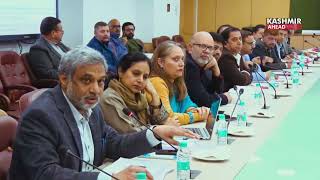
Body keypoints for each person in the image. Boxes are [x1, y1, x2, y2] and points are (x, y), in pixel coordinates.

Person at [9, 47, 197, 180]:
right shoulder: (40, 116)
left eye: (100, 81)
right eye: (86, 80)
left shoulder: (91, 107)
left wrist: (154, 133)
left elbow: (113, 143)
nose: (96, 90)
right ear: (64, 79)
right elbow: (44, 174)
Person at [100, 52, 178, 133]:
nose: (140, 80)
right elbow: (129, 133)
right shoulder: (109, 98)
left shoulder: (140, 98)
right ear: (121, 72)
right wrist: (159, 128)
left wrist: (155, 96)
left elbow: (163, 122)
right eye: (136, 74)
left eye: (145, 77)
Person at [150, 41, 210, 125]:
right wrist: (197, 116)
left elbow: (188, 104)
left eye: (182, 59)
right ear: (161, 62)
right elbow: (168, 117)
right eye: (176, 59)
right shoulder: (156, 82)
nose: (182, 64)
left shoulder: (176, 82)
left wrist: (195, 110)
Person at [185, 32, 231, 107]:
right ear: (190, 47)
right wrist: (224, 98)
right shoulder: (189, 65)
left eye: (210, 48)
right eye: (203, 46)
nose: (207, 51)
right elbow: (203, 101)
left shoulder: (200, 62)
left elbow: (215, 91)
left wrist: (216, 72)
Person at [219, 27, 253, 92]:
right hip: (226, 95)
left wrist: (244, 74)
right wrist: (247, 73)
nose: (239, 42)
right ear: (225, 44)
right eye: (234, 40)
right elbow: (241, 80)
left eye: (240, 39)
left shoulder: (237, 55)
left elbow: (244, 76)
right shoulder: (226, 57)